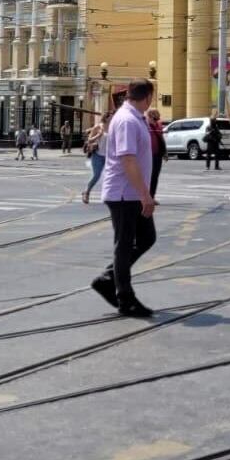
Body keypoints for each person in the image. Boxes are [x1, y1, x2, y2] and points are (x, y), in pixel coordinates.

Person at [91, 78, 158, 317]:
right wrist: (145, 196)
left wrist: (144, 194)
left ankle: (109, 279)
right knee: (124, 245)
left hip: (131, 193)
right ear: (148, 97)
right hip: (124, 194)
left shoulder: (133, 117)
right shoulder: (128, 120)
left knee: (147, 237)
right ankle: (125, 297)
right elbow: (127, 160)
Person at [82, 114, 107, 205]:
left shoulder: (114, 127)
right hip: (98, 155)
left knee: (111, 176)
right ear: (106, 118)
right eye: (111, 117)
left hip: (110, 156)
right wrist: (99, 135)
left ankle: (109, 196)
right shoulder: (98, 127)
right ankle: (87, 192)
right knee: (96, 175)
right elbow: (89, 140)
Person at [146, 108, 165, 196]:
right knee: (148, 176)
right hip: (148, 154)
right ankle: (146, 196)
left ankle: (152, 196)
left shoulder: (158, 125)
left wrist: (165, 152)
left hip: (158, 154)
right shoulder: (145, 125)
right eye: (156, 114)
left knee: (155, 176)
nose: (158, 116)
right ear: (150, 115)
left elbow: (161, 138)